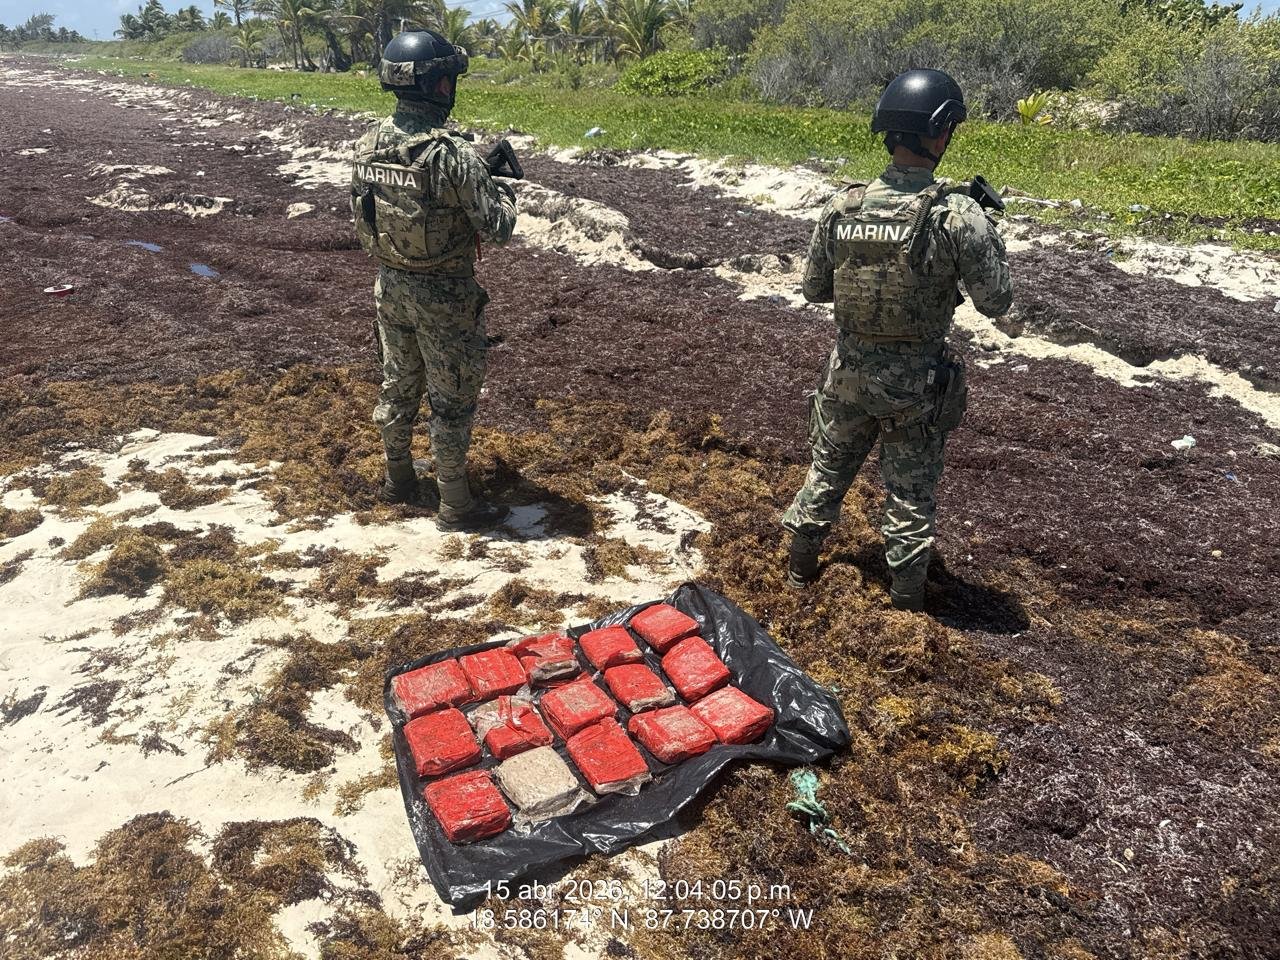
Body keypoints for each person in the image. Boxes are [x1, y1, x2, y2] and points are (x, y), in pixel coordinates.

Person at [781, 68, 1013, 611]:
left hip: (847, 373)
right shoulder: (956, 216)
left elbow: (814, 288)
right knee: (909, 496)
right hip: (914, 386)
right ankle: (906, 606)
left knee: (827, 471)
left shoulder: (844, 208)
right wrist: (989, 237)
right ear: (939, 135)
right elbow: (996, 300)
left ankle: (798, 571)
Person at [351, 30, 517, 529]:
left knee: (398, 384)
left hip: (390, 286)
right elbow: (499, 227)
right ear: (440, 86)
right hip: (445, 296)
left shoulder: (368, 142)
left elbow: (369, 215)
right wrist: (501, 188)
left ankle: (398, 480)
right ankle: (456, 505)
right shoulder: (453, 156)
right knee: (451, 401)